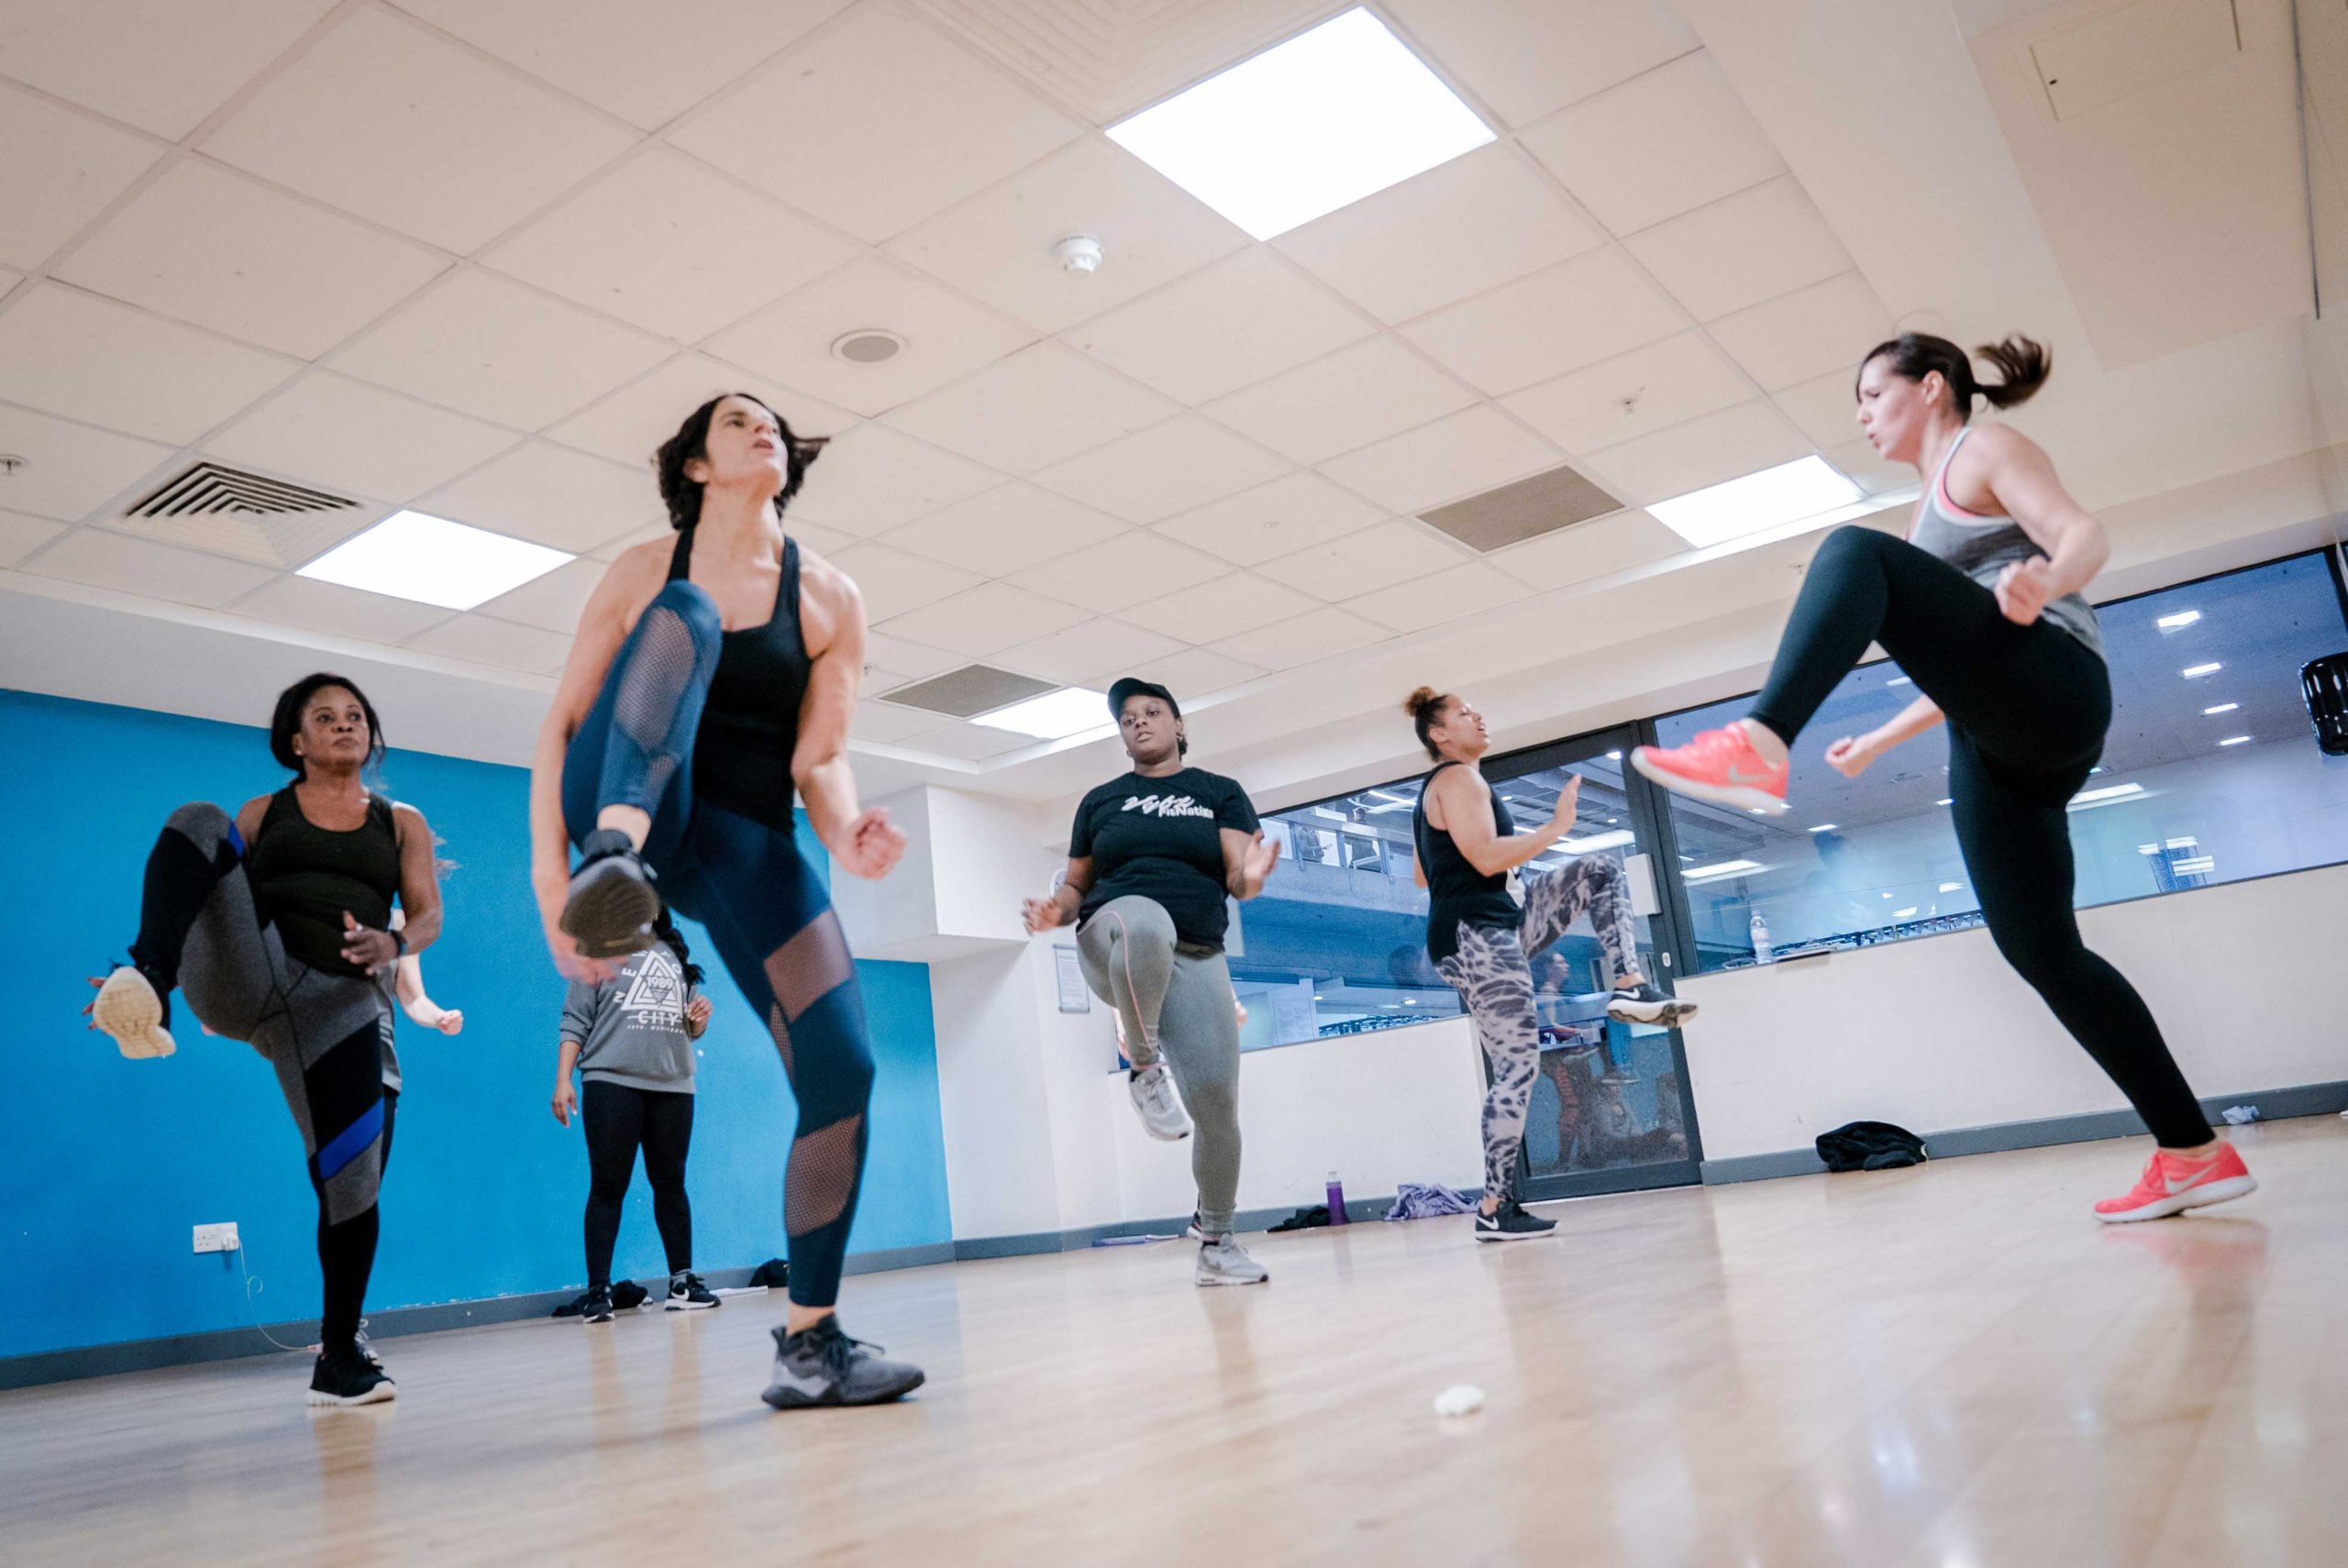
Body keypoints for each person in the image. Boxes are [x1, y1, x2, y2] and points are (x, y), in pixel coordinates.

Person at [1629, 332, 2254, 1223]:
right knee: (2042, 952)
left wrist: (2047, 578)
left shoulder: (1983, 448)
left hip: (2057, 687)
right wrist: (1879, 741)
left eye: (1871, 395)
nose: (1860, 415)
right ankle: (2192, 1150)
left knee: (1851, 552)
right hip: (2003, 741)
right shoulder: (1929, 509)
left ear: (1930, 389)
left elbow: (2083, 533)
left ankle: (1762, 739)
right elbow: (1965, 665)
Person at [529, 392, 923, 1408]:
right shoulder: (643, 571)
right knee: (690, 618)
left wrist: (847, 832)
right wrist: (550, 885)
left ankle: (811, 1344)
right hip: (620, 803)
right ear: (694, 465)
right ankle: (614, 864)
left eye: (776, 425)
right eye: (739, 420)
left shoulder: (829, 596)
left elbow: (821, 757)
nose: (767, 430)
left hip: (739, 838)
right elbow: (560, 726)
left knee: (843, 1069)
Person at [86, 674, 440, 1405]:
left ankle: (338, 1357)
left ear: (369, 734)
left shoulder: (402, 822)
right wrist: (175, 974)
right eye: (325, 717)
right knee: (198, 820)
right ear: (296, 741)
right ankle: (150, 977)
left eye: (355, 716)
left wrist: (395, 937)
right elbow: (210, 895)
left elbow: (429, 914)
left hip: (342, 1006)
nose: (344, 725)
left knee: (353, 1180)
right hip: (259, 976)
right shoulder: (264, 811)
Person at [1402, 690, 1696, 1242]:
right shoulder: (1457, 779)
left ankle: (1630, 984)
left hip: (1490, 927)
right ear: (1438, 734)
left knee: (1601, 872)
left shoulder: (1438, 791)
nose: (1479, 715)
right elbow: (1486, 857)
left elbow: (1426, 874)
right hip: (1479, 936)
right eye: (1465, 713)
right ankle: (1493, 1207)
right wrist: (1554, 829)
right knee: (1517, 1068)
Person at [1022, 679, 1279, 1286]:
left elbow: (1239, 878)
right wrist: (1051, 912)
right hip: (1113, 937)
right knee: (1146, 921)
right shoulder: (1102, 801)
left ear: (1179, 726)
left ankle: (1216, 1242)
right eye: (1128, 718)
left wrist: (1255, 876)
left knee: (1218, 1104)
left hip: (1197, 954)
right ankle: (1143, 1067)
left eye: (1152, 712)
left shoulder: (1218, 793)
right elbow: (1076, 886)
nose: (1138, 723)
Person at [552, 909, 717, 1321]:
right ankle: (597, 1293)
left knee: (671, 1184)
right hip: (611, 1081)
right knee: (608, 1186)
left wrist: (697, 1025)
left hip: (674, 1085)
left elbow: (679, 1025)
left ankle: (681, 1283)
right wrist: (563, 1079)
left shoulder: (674, 953)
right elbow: (575, 1018)